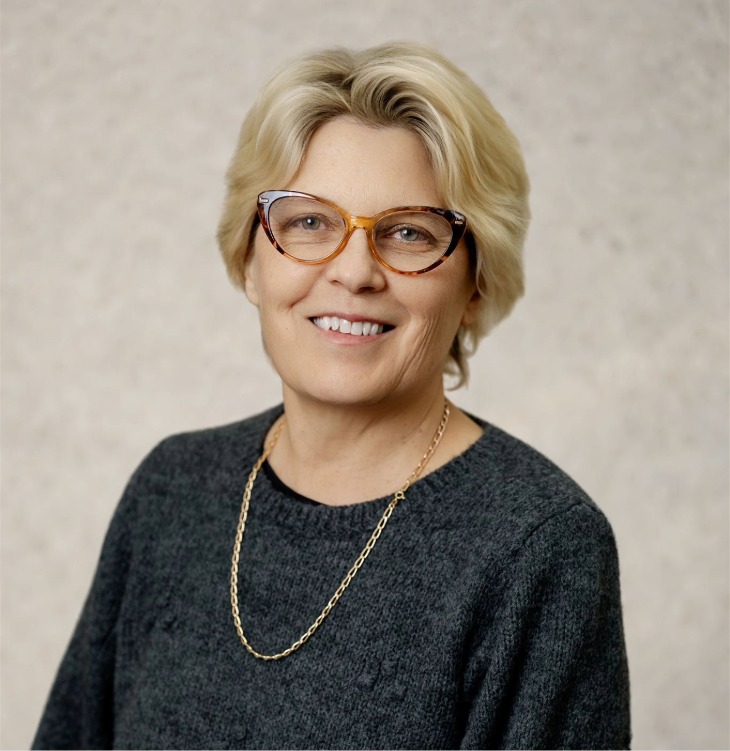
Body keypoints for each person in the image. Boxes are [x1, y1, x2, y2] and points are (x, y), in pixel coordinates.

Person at [31, 41, 631, 750]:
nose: (354, 272)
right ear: (249, 259)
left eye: (408, 233)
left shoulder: (539, 546)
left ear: (475, 283)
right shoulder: (173, 490)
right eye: (310, 222)